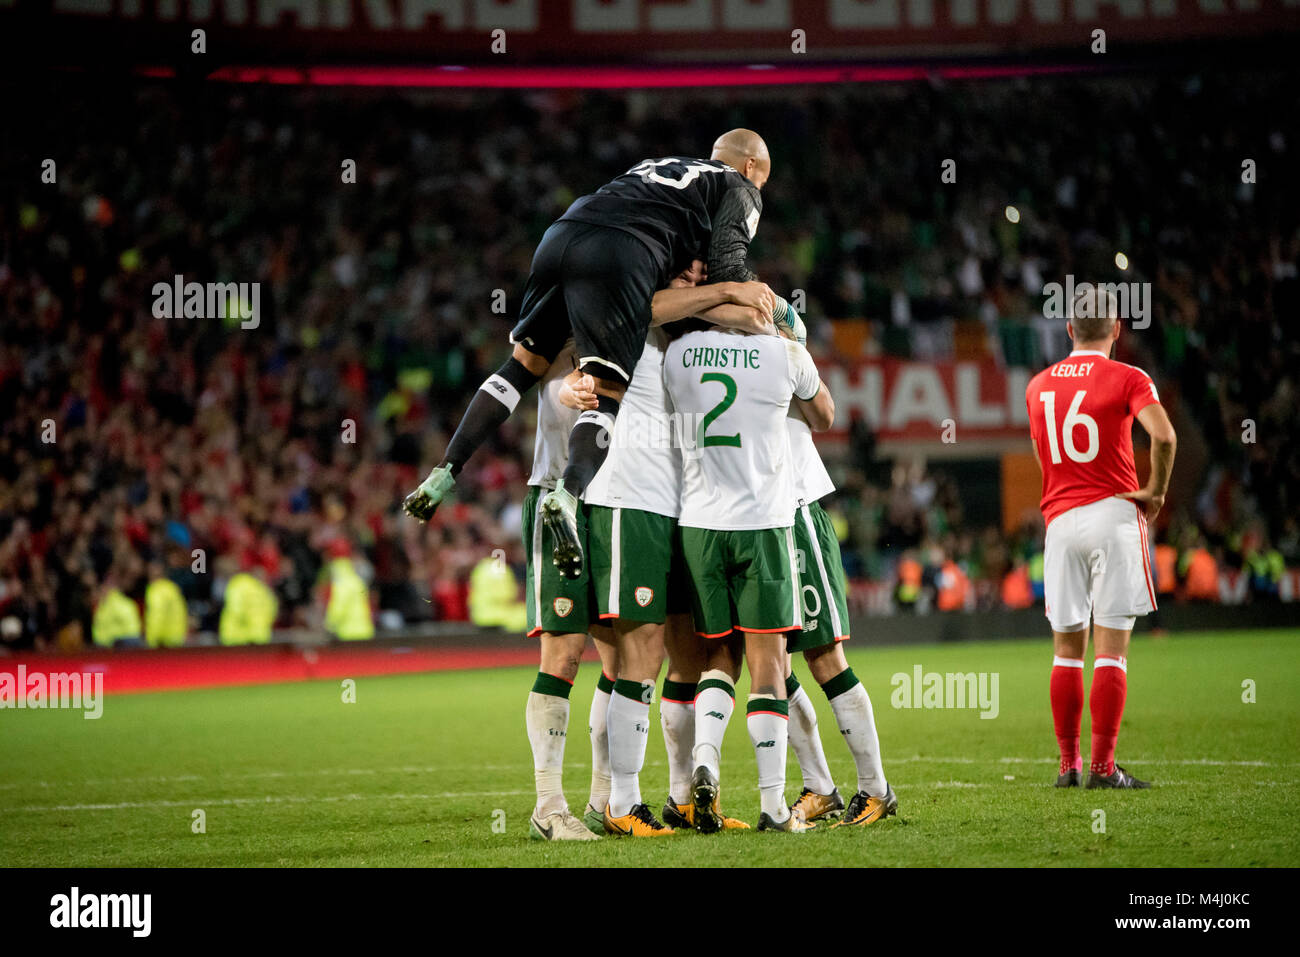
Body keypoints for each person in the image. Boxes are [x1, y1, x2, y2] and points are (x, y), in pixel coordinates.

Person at [403, 131, 776, 584]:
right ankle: (570, 493)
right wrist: (758, 301)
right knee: (607, 389)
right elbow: (730, 267)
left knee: (523, 364)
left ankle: (446, 470)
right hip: (622, 252)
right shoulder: (739, 186)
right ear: (752, 167)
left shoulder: (658, 167)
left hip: (562, 234)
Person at [663, 314, 833, 831]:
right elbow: (824, 413)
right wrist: (789, 339)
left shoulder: (678, 354)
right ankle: (772, 804)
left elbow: (672, 424)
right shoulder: (782, 353)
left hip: (699, 523)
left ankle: (705, 763)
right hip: (762, 521)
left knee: (718, 655)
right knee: (769, 664)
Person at [1025, 287, 1177, 790]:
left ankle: (1068, 766)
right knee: (1111, 650)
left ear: (1069, 331)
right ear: (1116, 330)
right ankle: (1103, 769)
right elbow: (1165, 436)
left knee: (1066, 652)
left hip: (1060, 521)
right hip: (1113, 512)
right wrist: (1154, 491)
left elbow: (1042, 453)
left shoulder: (1037, 386)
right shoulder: (1129, 377)